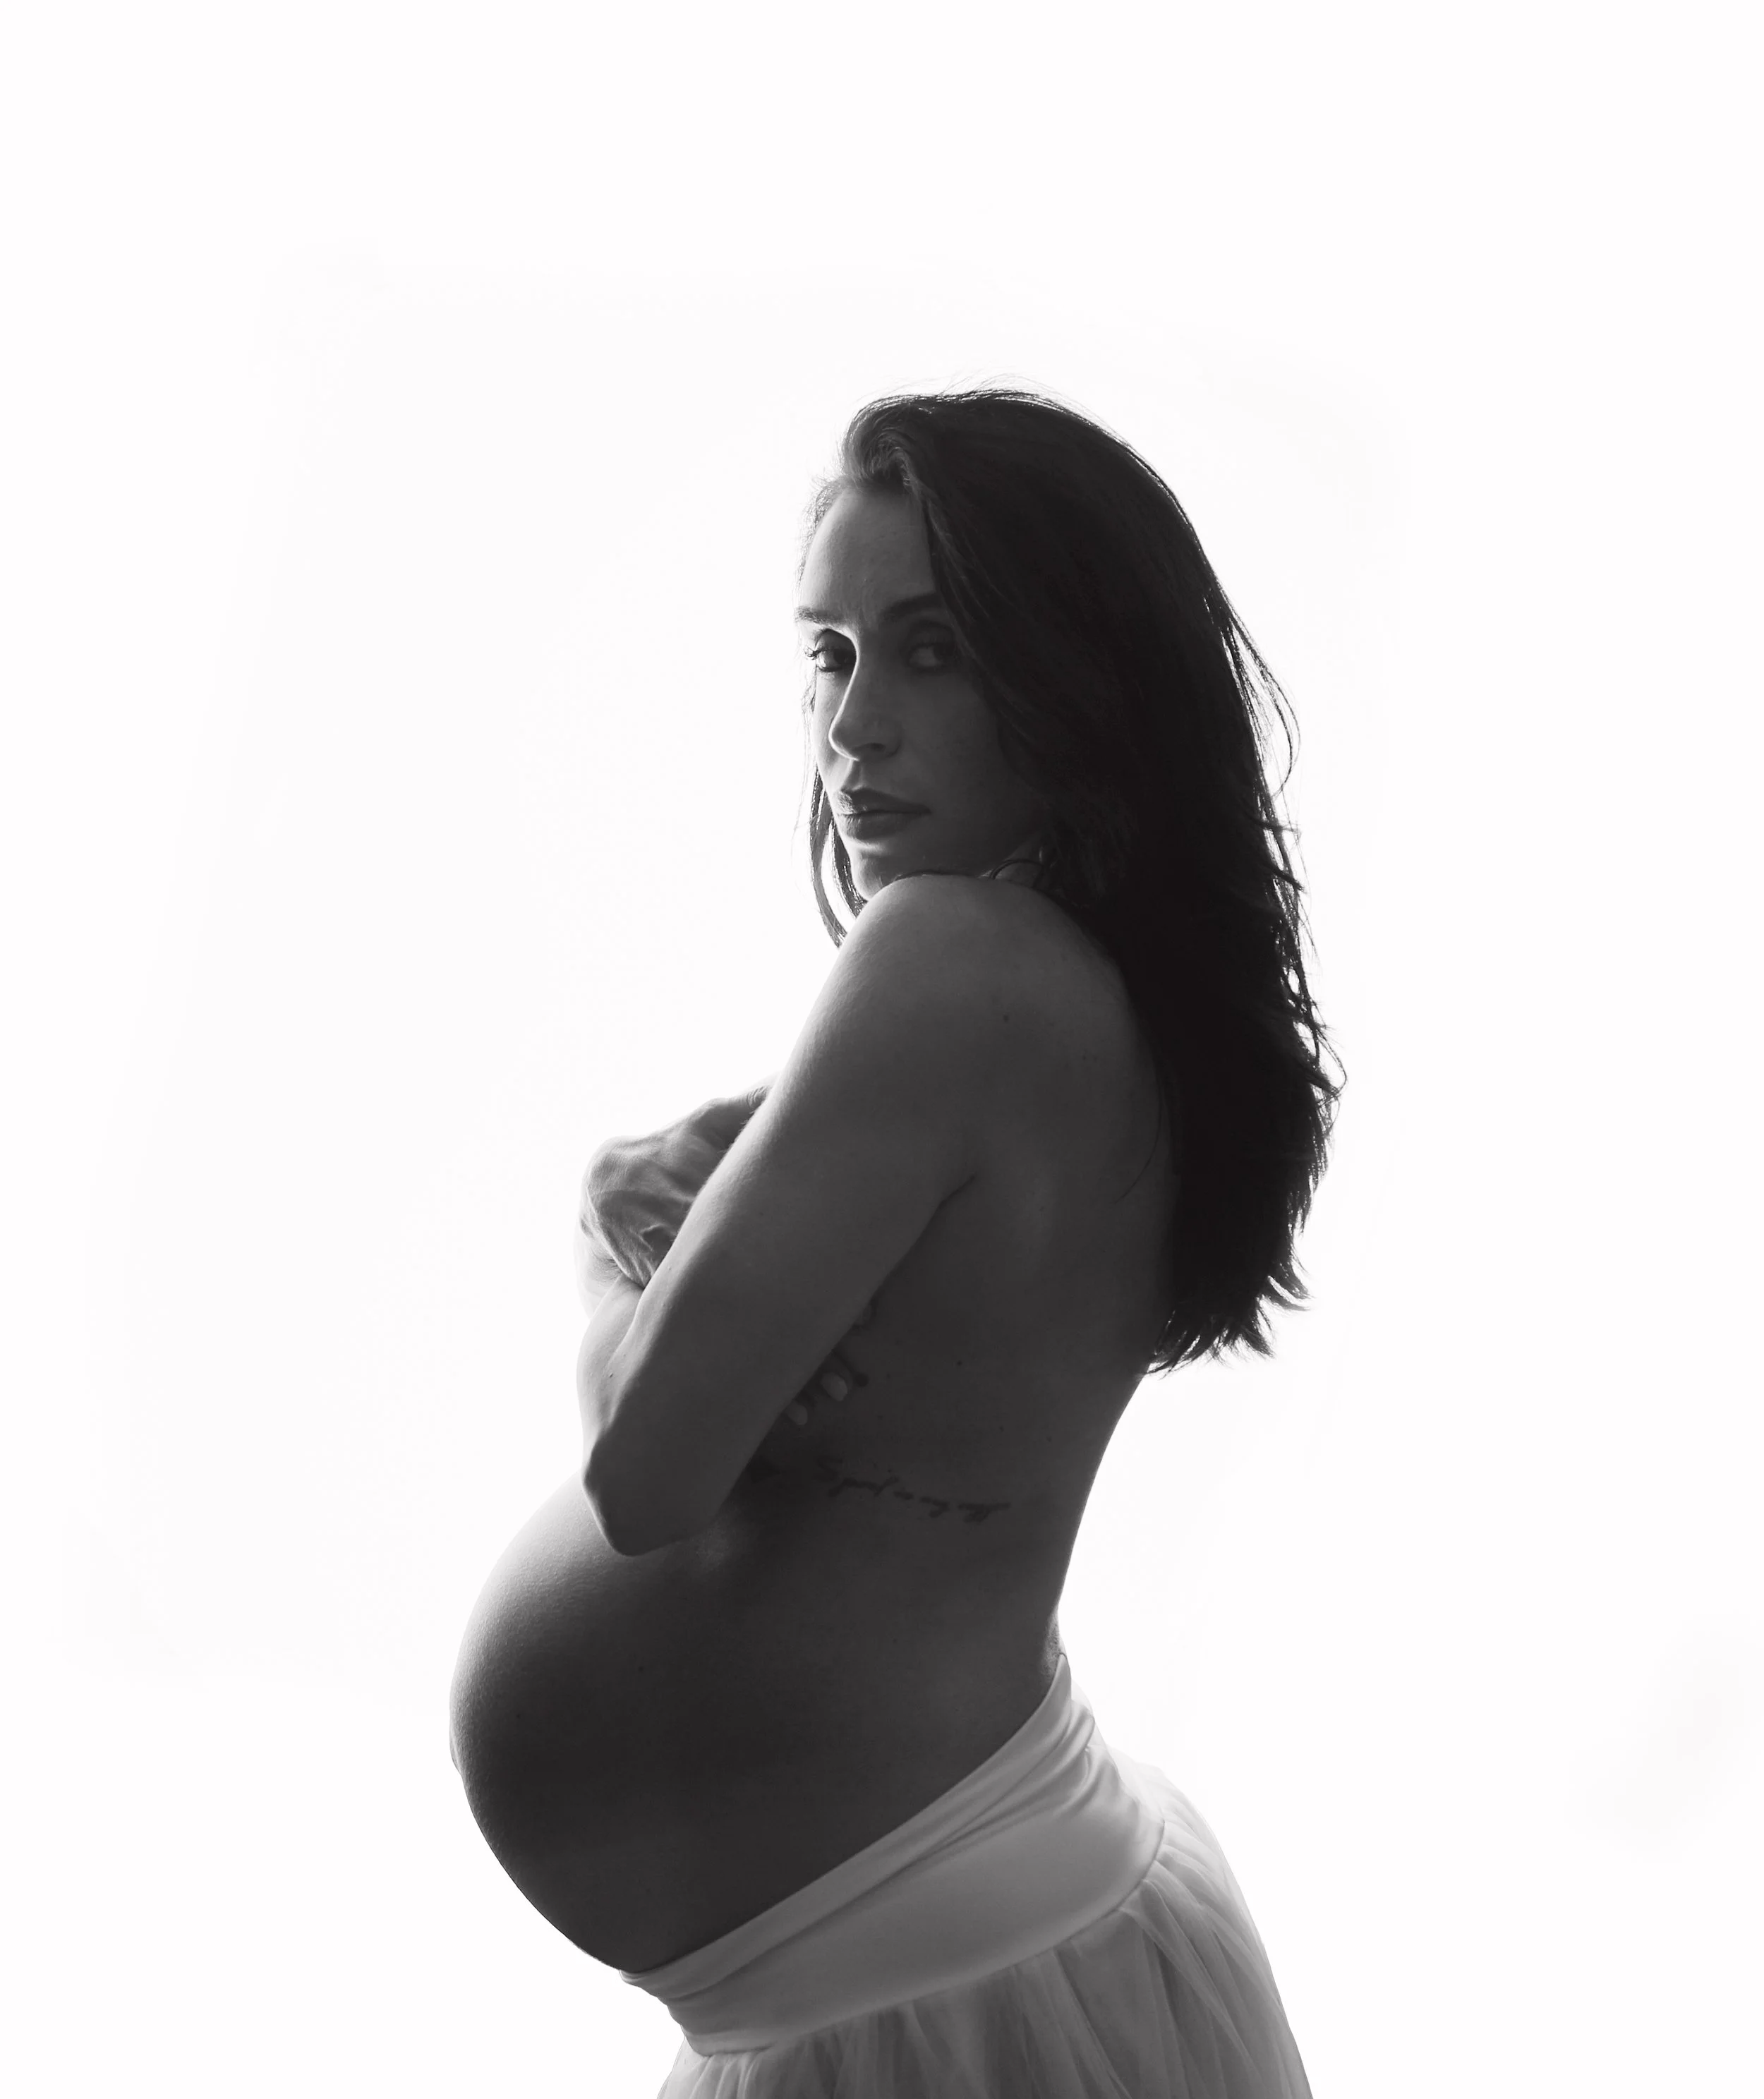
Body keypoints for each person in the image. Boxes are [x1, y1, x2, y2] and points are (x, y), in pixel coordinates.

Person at [449, 388, 1336, 2096]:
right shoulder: (1097, 996)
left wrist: (603, 1241)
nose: (855, 725)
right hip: (967, 1927)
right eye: (832, 654)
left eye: (930, 650)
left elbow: (643, 1471)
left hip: (927, 1963)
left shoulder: (945, 963)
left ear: (1076, 676)